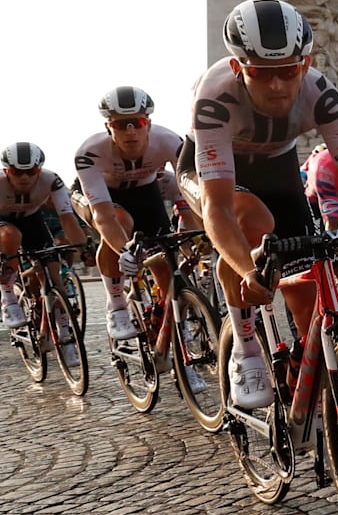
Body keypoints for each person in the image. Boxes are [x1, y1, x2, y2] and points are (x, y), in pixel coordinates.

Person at [185, 0, 338, 410]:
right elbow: (219, 208)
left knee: (306, 298)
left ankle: (311, 418)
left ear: (306, 62)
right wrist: (248, 271)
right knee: (252, 221)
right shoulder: (213, 98)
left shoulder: (323, 94)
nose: (278, 85)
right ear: (236, 68)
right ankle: (245, 349)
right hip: (219, 171)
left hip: (278, 166)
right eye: (262, 73)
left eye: (288, 71)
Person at [73, 87, 203, 345]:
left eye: (139, 122)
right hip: (105, 199)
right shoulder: (89, 152)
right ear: (109, 127)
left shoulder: (169, 141)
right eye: (121, 124)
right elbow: (103, 215)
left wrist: (204, 228)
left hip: (146, 193)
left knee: (164, 264)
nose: (131, 130)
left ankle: (176, 333)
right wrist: (124, 251)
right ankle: (117, 304)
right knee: (120, 222)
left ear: (149, 124)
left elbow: (192, 189)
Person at [0, 143, 88, 362]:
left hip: (31, 220)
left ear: (39, 170)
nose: (25, 178)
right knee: (12, 236)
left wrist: (82, 244)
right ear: (6, 171)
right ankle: (8, 297)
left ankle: (65, 338)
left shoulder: (51, 180)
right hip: (3, 223)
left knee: (53, 276)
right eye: (17, 172)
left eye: (31, 172)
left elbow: (67, 216)